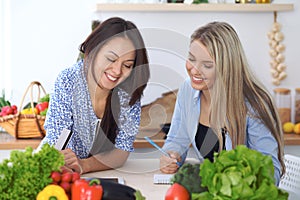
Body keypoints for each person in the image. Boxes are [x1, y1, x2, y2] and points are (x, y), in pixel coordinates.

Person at [159, 21, 285, 185]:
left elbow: (271, 171)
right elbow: (177, 139)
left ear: (227, 67)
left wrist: (238, 185)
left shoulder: (255, 103)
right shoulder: (187, 91)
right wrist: (171, 155)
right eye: (191, 59)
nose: (194, 70)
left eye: (207, 65)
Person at [38, 17, 150, 174]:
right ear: (94, 50)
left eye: (127, 65)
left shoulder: (129, 92)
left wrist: (84, 165)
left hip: (97, 172)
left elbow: (121, 151)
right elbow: (57, 139)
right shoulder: (69, 80)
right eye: (111, 59)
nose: (117, 71)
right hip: (57, 168)